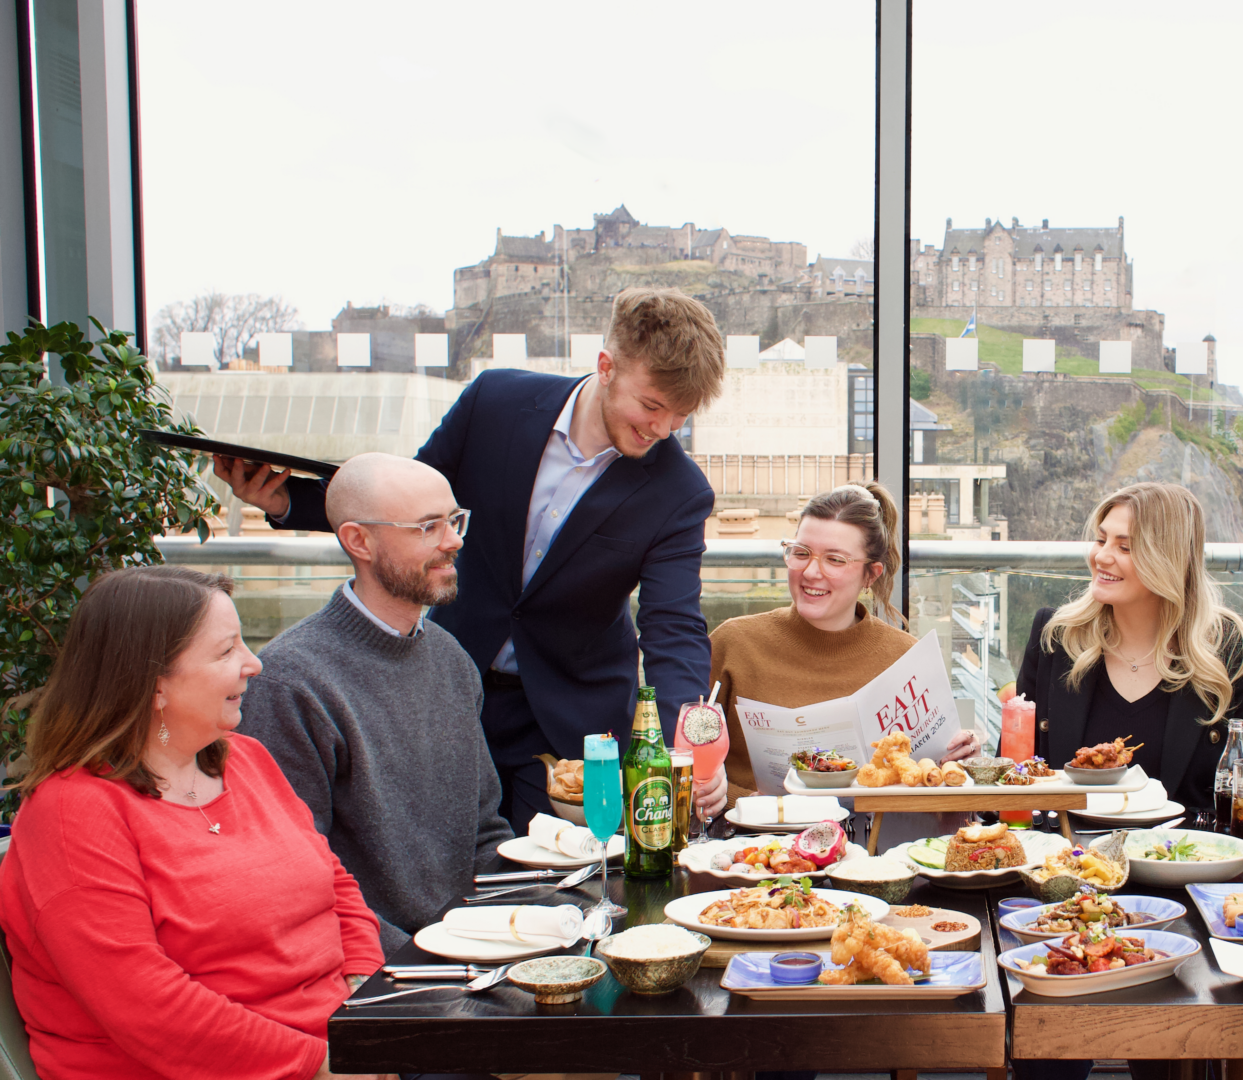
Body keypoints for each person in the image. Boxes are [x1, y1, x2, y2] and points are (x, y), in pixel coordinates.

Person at [216, 287, 729, 832]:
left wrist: (685, 747)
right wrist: (286, 499)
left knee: (562, 890)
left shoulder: (680, 489)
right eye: (652, 405)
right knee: (445, 861)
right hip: (450, 692)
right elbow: (403, 502)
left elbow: (672, 626)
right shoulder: (495, 401)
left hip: (575, 722)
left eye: (681, 416)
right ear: (606, 366)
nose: (662, 429)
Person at [0, 567, 386, 1080]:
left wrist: (364, 1002)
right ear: (154, 685)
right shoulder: (71, 813)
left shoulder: (244, 760)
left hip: (339, 1047)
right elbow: (145, 1006)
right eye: (227, 651)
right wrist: (323, 1063)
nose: (254, 662)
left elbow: (336, 888)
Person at [239, 453, 514, 954]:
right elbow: (299, 881)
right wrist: (426, 962)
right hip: (375, 975)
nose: (454, 541)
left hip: (470, 952)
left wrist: (525, 927)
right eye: (427, 527)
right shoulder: (288, 682)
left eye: (454, 520)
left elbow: (485, 831)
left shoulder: (450, 660)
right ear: (358, 541)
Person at [708, 483, 979, 838]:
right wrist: (740, 800)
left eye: (835, 559)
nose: (811, 572)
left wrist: (962, 763)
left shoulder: (907, 657)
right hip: (752, 850)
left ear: (871, 574)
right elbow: (685, 756)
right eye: (801, 552)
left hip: (874, 854)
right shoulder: (733, 642)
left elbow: (942, 808)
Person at [1017, 482, 1243, 810]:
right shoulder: (1055, 637)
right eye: (1101, 540)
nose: (1101, 556)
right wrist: (970, 764)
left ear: (1167, 559)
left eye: (1125, 548)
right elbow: (1012, 775)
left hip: (1189, 855)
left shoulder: (1233, 649)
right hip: (1069, 856)